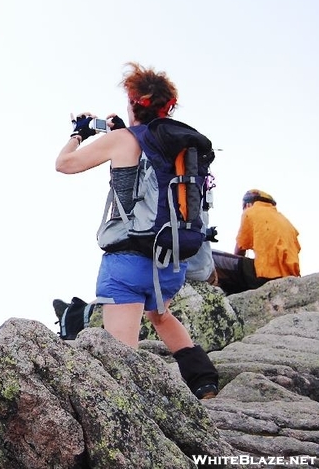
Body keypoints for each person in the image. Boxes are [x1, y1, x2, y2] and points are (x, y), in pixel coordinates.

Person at [55, 62, 219, 399]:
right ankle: (203, 381)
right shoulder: (180, 145)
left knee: (120, 360)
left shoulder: (122, 140)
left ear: (134, 104)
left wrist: (79, 133)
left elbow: (64, 164)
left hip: (127, 264)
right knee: (160, 315)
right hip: (172, 261)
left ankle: (132, 408)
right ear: (167, 107)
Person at [212, 189, 300, 295]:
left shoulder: (251, 212)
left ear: (248, 203)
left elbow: (240, 248)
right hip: (288, 276)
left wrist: (235, 269)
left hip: (265, 277)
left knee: (211, 256)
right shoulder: (284, 220)